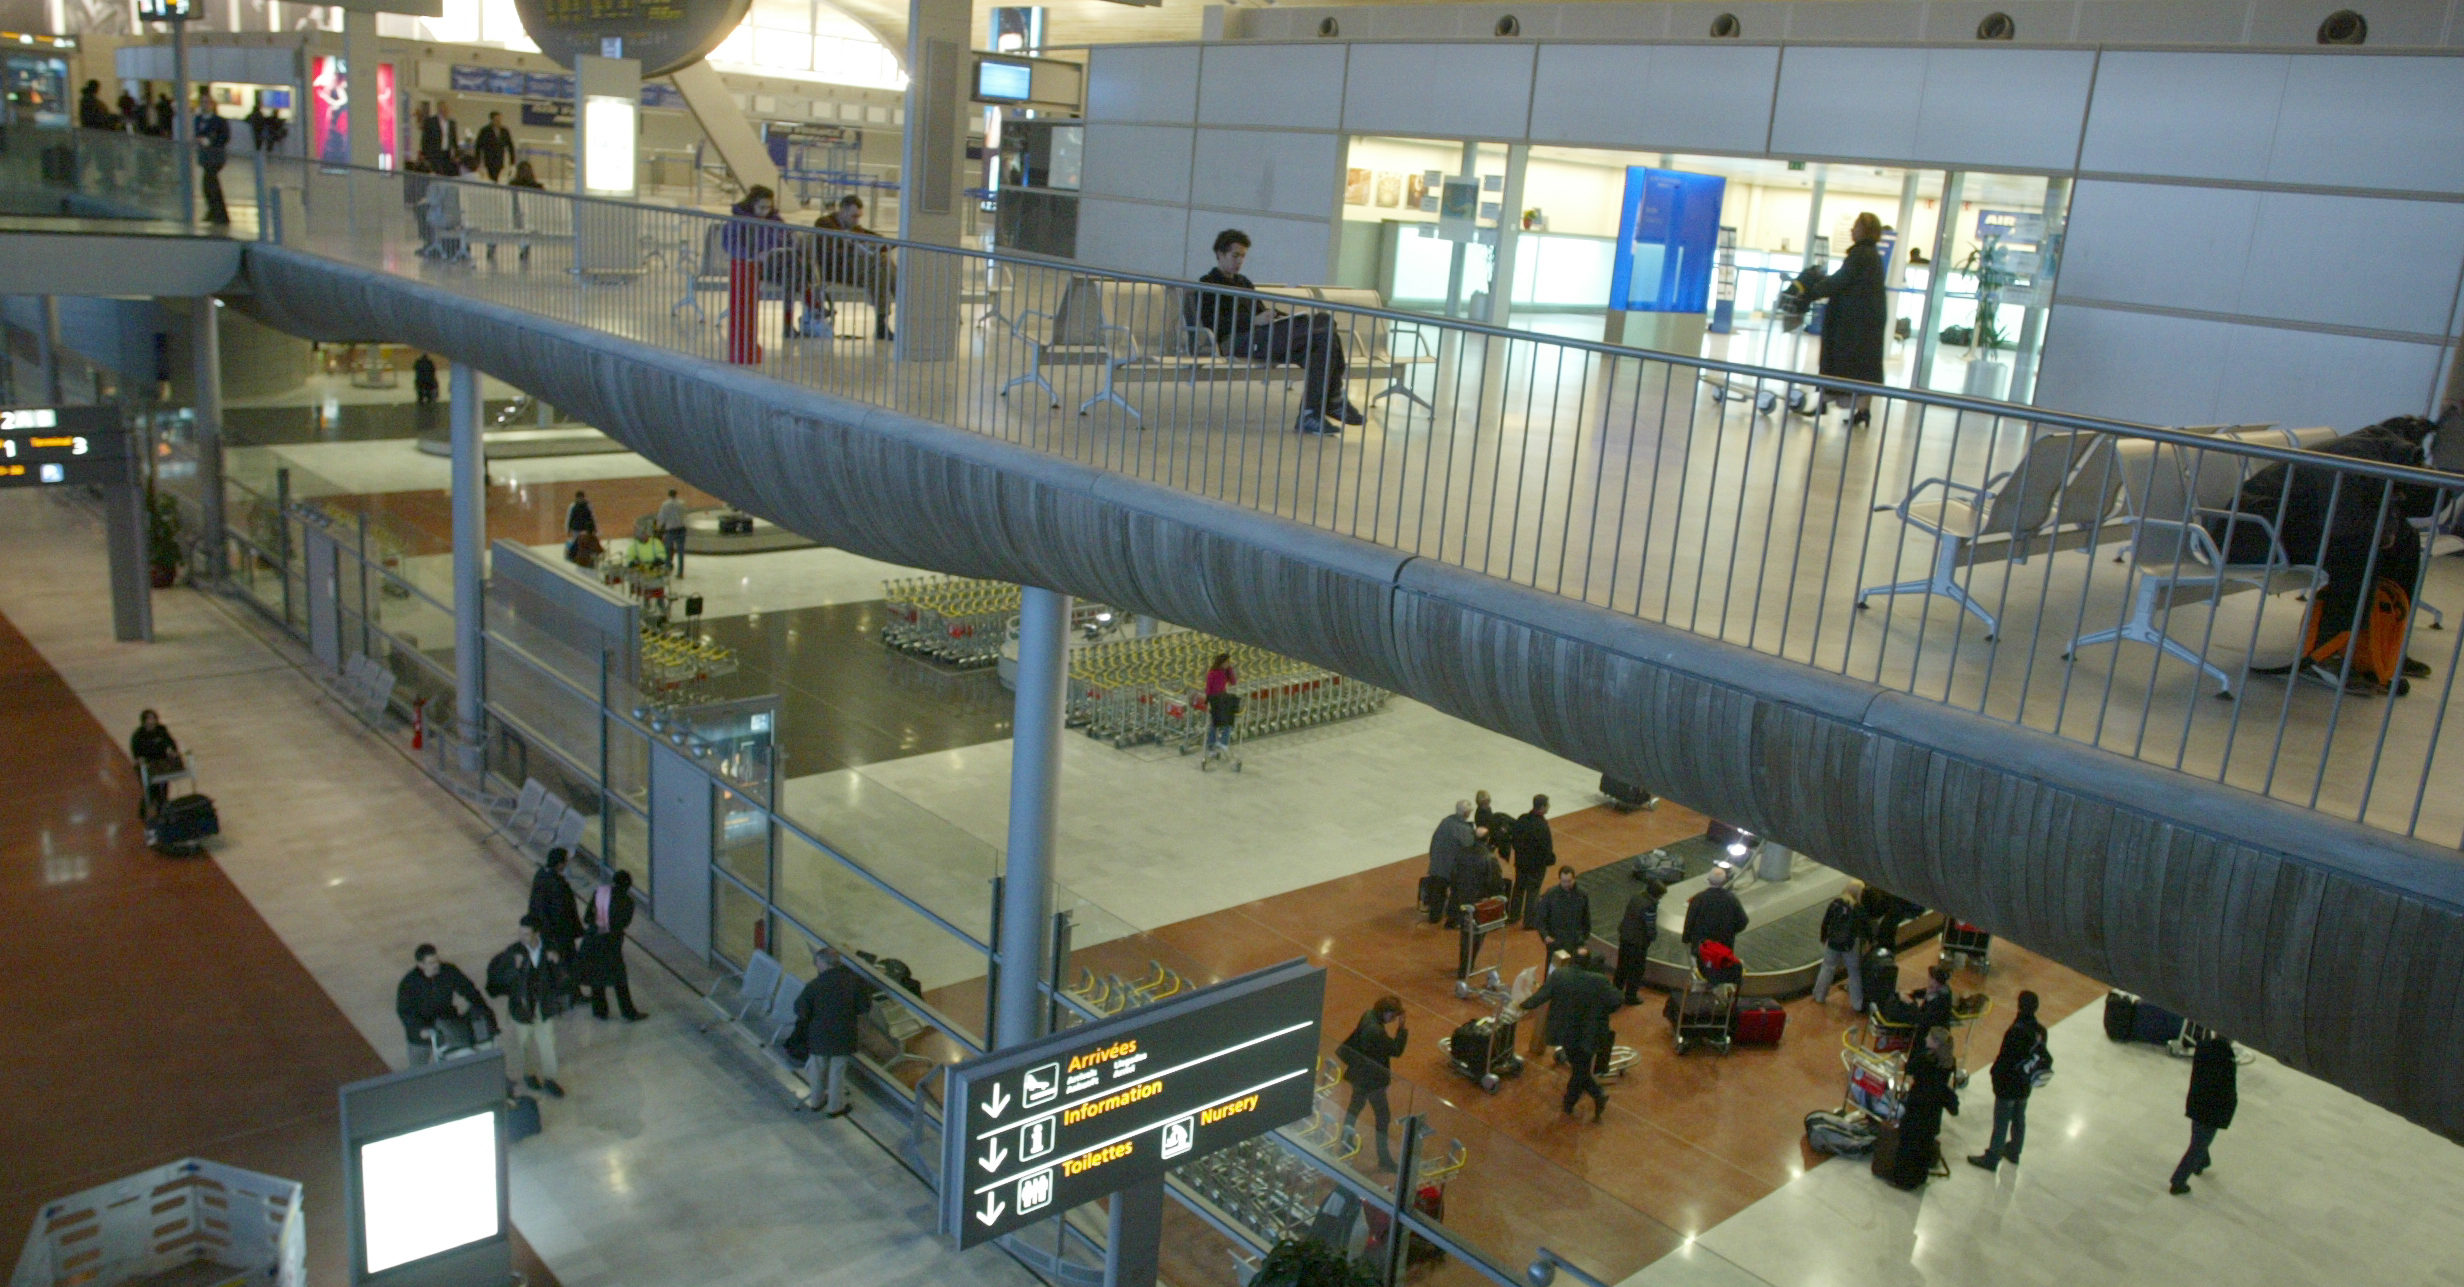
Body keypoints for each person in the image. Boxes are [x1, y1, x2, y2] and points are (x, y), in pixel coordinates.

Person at [1188, 228, 1357, 435]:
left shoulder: (1244, 283)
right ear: (1220, 254)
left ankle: (1311, 413)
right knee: (1324, 331)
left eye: (1242, 256)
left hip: (1260, 337)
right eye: (1235, 255)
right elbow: (1213, 322)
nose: (1239, 261)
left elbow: (1260, 311)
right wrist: (1253, 321)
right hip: (1234, 340)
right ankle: (1332, 399)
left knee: (1323, 339)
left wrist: (1276, 316)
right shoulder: (1207, 284)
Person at [1786, 211, 1890, 429]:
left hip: (1852, 323)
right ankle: (1859, 409)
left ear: (1864, 231)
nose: (1852, 230)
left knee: (1840, 361)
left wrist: (1812, 292)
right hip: (1866, 322)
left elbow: (1841, 280)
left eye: (1856, 226)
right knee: (1863, 367)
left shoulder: (1861, 255)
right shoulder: (1872, 256)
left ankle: (1825, 403)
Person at [1509, 948, 1622, 1121]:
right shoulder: (1599, 981)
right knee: (1580, 1068)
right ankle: (1592, 1097)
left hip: (1567, 1030)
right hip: (1591, 1033)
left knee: (1579, 1069)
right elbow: (1616, 1000)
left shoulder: (1560, 975)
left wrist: (1522, 1005)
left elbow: (1541, 996)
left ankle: (1577, 1101)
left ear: (1572, 961)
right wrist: (1600, 1010)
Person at [485, 915, 570, 1098]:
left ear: (536, 934)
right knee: (524, 1044)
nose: (522, 937)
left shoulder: (549, 948)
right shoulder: (513, 952)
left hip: (542, 1005)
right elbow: (500, 980)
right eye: (520, 933)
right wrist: (514, 969)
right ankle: (529, 1074)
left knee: (548, 1043)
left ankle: (550, 1078)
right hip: (521, 1007)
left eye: (526, 934)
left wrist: (556, 961)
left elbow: (562, 974)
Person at [785, 945, 869, 1115]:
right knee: (837, 1071)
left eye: (817, 962)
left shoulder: (815, 985)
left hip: (819, 1035)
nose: (816, 966)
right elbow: (864, 1006)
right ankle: (835, 1107)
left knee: (817, 1068)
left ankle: (816, 1101)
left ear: (823, 963)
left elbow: (800, 1010)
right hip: (844, 1034)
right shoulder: (853, 981)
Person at [1969, 989, 2047, 1171]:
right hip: (2025, 1083)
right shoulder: (2040, 1031)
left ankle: (1992, 1157)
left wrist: (1995, 1074)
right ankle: (2014, 1150)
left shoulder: (2016, 1030)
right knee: (2019, 1117)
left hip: (2008, 1084)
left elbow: (2005, 1058)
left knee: (2002, 1120)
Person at [1336, 997, 1408, 1170]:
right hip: (1372, 1080)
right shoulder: (1376, 1031)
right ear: (1386, 1012)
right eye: (1393, 1015)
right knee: (1383, 1117)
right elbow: (1396, 1050)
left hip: (1359, 1074)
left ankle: (1345, 1143)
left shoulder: (1368, 1015)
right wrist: (1402, 1029)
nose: (1392, 1019)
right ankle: (1384, 1159)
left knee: (1355, 1107)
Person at [813, 195, 896, 340]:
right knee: (880, 264)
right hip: (836, 269)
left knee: (880, 268)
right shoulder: (824, 223)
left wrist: (882, 244)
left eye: (859, 217)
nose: (856, 220)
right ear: (842, 211)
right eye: (853, 216)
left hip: (856, 271)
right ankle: (894, 309)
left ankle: (884, 319)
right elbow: (829, 251)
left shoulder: (855, 228)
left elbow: (877, 238)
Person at [1886, 1028, 1960, 1188]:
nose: (1926, 1038)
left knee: (1909, 1145)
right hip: (1933, 1112)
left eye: (1929, 1037)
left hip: (1918, 1107)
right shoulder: (1948, 1062)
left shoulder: (1925, 1059)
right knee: (1924, 1146)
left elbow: (1910, 1068)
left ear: (1935, 1042)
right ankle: (1919, 1177)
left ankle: (1903, 1180)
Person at [395, 944, 491, 1066]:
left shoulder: (448, 971)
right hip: (420, 1033)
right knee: (417, 1068)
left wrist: (481, 1007)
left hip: (446, 1022)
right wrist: (419, 1029)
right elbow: (404, 1011)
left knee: (460, 1057)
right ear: (420, 965)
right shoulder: (409, 983)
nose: (436, 965)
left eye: (437, 961)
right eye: (431, 963)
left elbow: (468, 989)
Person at [574, 870, 648, 1022]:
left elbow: (588, 918)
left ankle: (599, 1010)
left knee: (596, 975)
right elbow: (624, 924)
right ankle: (628, 1012)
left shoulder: (599, 893)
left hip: (592, 940)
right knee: (619, 978)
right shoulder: (627, 902)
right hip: (610, 943)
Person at [2170, 1031, 2238, 1194]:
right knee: (2198, 1145)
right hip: (2212, 1109)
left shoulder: (2203, 1048)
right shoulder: (2227, 1058)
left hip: (2197, 1101)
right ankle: (2178, 1181)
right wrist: (2229, 1109)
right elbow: (2228, 1089)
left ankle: (2201, 1162)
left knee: (2199, 1137)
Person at [1811, 881, 1868, 1010]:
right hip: (1850, 944)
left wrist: (1823, 937)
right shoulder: (1858, 908)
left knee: (1827, 967)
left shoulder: (1835, 904)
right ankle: (1857, 1003)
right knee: (1854, 972)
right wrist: (1867, 942)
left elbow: (1826, 922)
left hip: (1833, 942)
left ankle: (1819, 995)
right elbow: (1865, 927)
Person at [527, 847, 584, 967]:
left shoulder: (541, 874)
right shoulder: (558, 885)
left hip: (544, 929)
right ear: (560, 864)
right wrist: (576, 931)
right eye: (565, 861)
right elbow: (564, 912)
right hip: (558, 934)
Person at [1427, 800, 1480, 927]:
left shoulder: (1445, 822)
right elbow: (1470, 848)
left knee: (1438, 892)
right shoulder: (1464, 829)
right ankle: (1453, 918)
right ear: (1466, 813)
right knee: (1457, 892)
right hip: (1451, 869)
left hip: (1437, 864)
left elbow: (1434, 840)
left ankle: (1434, 916)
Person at [1614, 878, 1665, 1004]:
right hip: (1637, 942)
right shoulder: (1650, 906)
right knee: (1636, 970)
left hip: (1625, 936)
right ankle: (1630, 997)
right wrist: (1653, 937)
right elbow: (1650, 926)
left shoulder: (1636, 897)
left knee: (1622, 966)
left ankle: (1615, 992)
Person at [1509, 794, 1556, 927]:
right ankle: (1529, 921)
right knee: (1533, 892)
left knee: (1518, 889)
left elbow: (1515, 840)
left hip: (1521, 863)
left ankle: (1514, 915)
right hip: (1536, 866)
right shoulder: (1542, 826)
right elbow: (1547, 848)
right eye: (1547, 805)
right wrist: (1550, 860)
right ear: (1542, 807)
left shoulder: (1522, 819)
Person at [1681, 866, 1750, 954]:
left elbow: (1690, 921)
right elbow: (1743, 921)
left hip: (1701, 945)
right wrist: (1730, 931)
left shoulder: (1699, 898)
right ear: (1725, 881)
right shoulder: (1732, 899)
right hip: (1724, 945)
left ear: (1709, 880)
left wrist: (1686, 939)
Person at [129, 709, 181, 816]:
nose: (151, 721)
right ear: (144, 721)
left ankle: (163, 809)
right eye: (149, 719)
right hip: (148, 766)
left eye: (153, 719)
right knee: (153, 791)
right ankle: (145, 811)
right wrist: (140, 760)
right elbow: (136, 753)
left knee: (164, 787)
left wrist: (171, 750)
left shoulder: (161, 730)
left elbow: (170, 743)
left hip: (162, 764)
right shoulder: (138, 735)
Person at [1532, 865, 1591, 959]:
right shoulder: (1551, 894)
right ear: (1559, 879)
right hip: (1556, 942)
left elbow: (1586, 918)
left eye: (1569, 881)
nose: (1567, 884)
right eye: (1564, 881)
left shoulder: (1582, 895)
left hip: (1575, 942)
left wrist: (1583, 939)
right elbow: (1540, 917)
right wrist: (1545, 935)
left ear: (1574, 879)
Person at [193, 88, 231, 225]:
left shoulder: (219, 121)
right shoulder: (198, 119)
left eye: (207, 102)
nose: (205, 105)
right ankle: (214, 211)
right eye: (202, 102)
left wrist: (211, 141)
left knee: (210, 183)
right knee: (209, 185)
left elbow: (225, 137)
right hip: (205, 156)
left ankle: (219, 213)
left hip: (215, 157)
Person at [1201, 652, 1239, 762]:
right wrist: (1207, 701)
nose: (1228, 664)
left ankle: (1221, 742)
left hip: (1223, 698)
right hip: (1215, 699)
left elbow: (1233, 682)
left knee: (1226, 720)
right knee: (1215, 722)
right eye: (1227, 662)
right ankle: (1214, 744)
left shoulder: (1226, 672)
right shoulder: (1212, 673)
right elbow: (1208, 688)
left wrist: (1230, 670)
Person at [474, 110, 515, 182]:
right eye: (496, 119)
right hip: (489, 159)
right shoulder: (485, 131)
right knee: (492, 177)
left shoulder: (504, 131)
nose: (499, 121)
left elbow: (510, 146)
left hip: (500, 159)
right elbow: (478, 146)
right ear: (492, 120)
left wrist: (512, 161)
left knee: (496, 176)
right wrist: (477, 161)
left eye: (500, 119)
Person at [656, 489, 688, 577]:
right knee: (681, 552)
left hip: (671, 530)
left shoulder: (665, 504)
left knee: (667, 550)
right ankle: (680, 572)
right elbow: (685, 514)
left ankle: (667, 569)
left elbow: (662, 517)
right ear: (676, 494)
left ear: (669, 495)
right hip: (681, 529)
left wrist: (659, 527)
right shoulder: (682, 503)